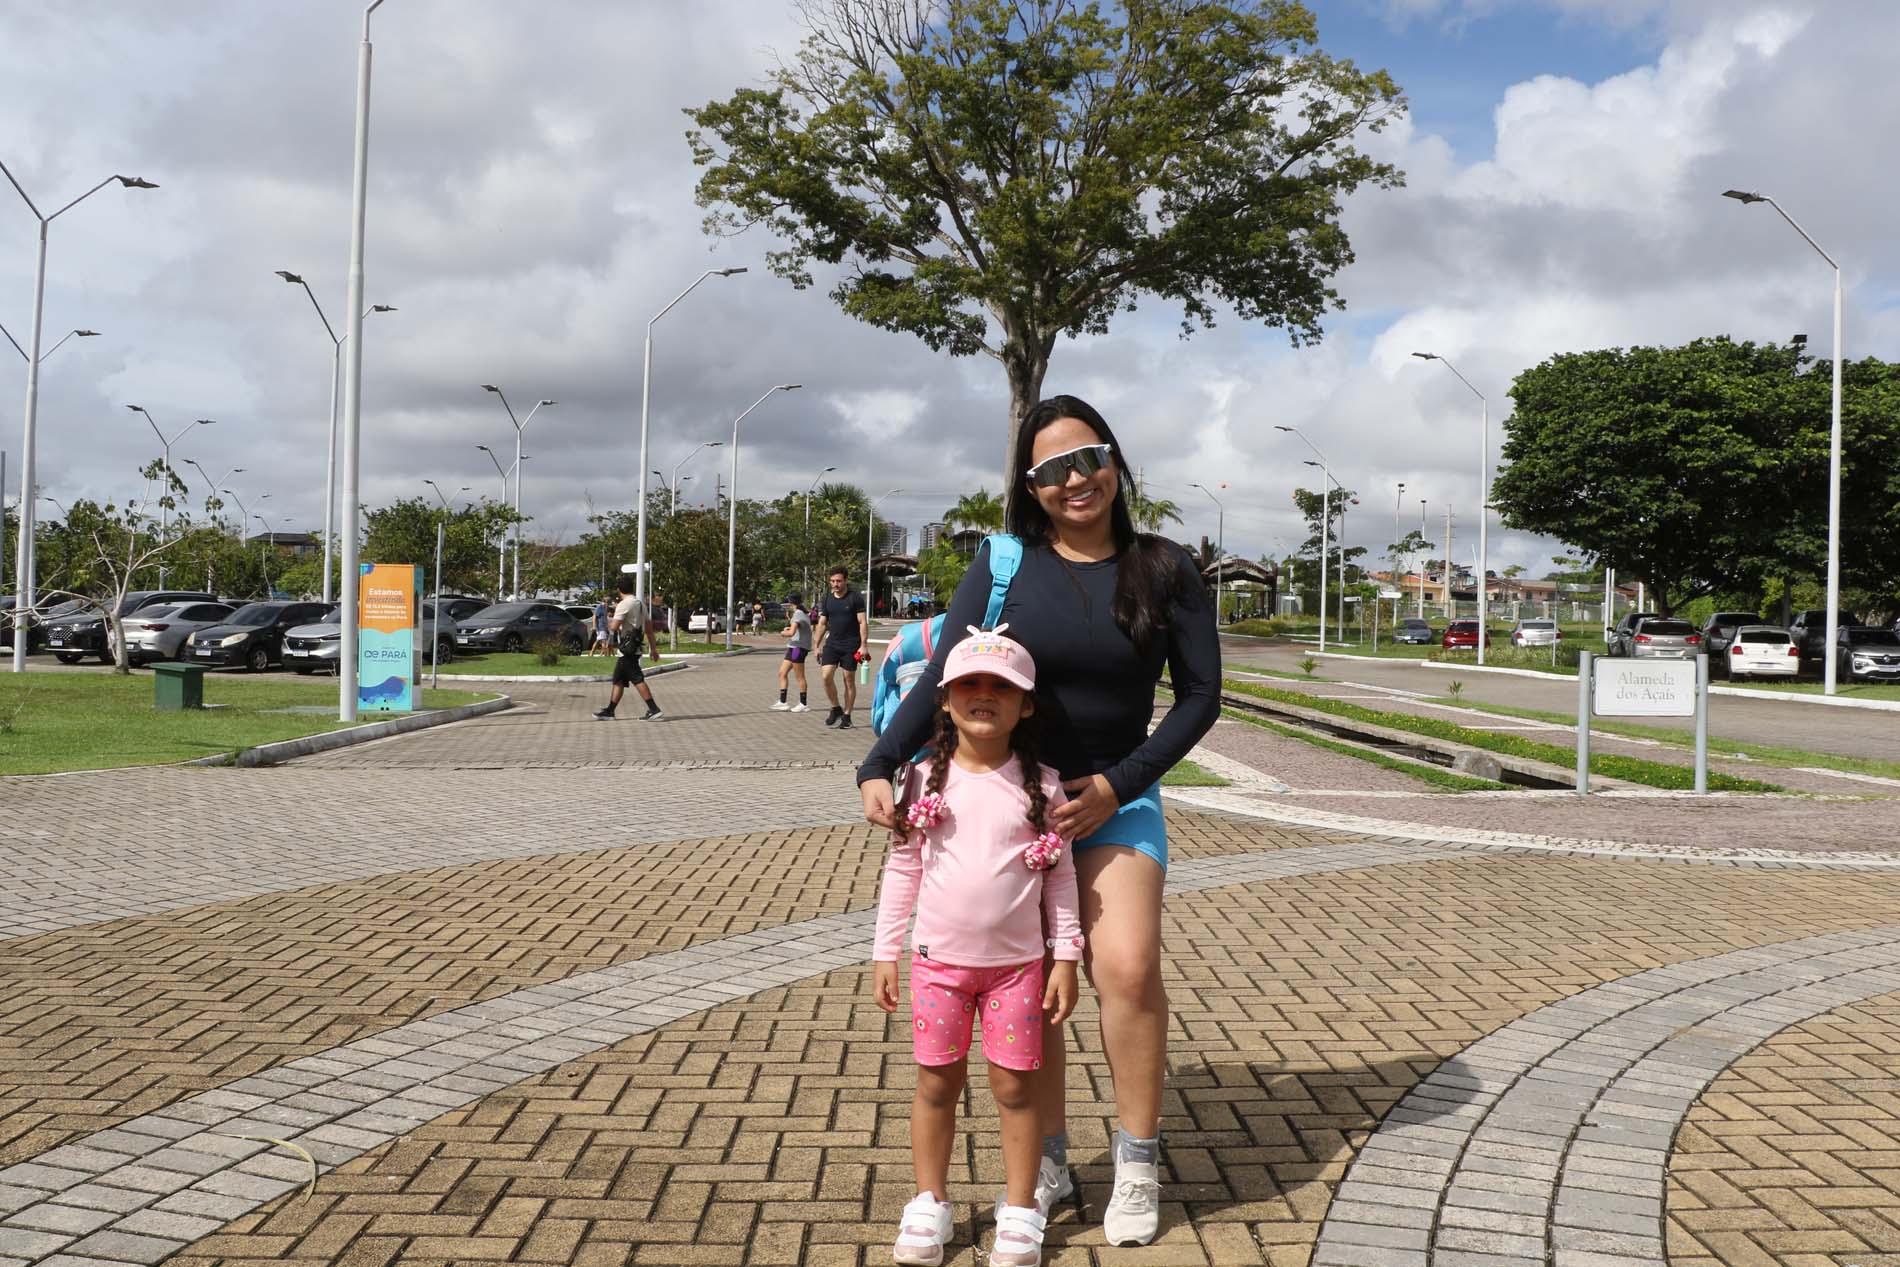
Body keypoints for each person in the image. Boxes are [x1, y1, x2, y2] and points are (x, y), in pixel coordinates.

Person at [858, 395, 1220, 1247]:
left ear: (1114, 461)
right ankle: (1050, 1161)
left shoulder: (1166, 566)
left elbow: (1201, 695)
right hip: (1017, 807)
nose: (1075, 480)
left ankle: (1137, 1160)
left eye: (1088, 457)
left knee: (1126, 967)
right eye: (1051, 469)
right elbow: (943, 671)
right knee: (1030, 981)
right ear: (1031, 486)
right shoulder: (1006, 562)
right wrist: (879, 762)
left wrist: (1118, 784)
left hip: (1118, 799)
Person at [873, 628, 1081, 1267]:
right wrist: (885, 951)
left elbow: (1061, 878)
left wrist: (1066, 957)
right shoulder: (919, 780)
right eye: (969, 684)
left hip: (1018, 971)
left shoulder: (1043, 785)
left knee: (1016, 1090)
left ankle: (1020, 1210)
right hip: (937, 968)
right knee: (936, 1085)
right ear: (943, 699)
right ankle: (929, 1202)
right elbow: (903, 868)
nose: (984, 695)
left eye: (1001, 687)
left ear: (1026, 705)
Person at [593, 573, 665, 721]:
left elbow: (614, 627)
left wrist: (609, 616)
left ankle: (654, 709)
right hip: (635, 646)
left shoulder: (624, 604)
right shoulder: (640, 604)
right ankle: (610, 711)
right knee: (618, 680)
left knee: (637, 679)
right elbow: (649, 629)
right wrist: (653, 649)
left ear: (619, 589)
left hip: (627, 649)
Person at [811, 564, 868, 729]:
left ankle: (847, 716)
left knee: (848, 680)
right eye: (833, 581)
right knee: (826, 676)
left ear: (845, 581)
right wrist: (816, 645)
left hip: (851, 645)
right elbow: (822, 623)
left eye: (838, 581)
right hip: (832, 644)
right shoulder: (827, 599)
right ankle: (836, 708)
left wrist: (863, 645)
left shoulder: (855, 598)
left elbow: (862, 622)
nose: (835, 584)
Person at [772, 593, 812, 712]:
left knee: (799, 676)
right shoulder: (801, 613)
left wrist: (783, 633)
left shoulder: (798, 614)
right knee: (782, 673)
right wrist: (788, 628)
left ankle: (803, 704)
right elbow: (799, 629)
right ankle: (783, 702)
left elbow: (791, 633)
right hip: (793, 647)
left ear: (791, 603)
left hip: (797, 649)